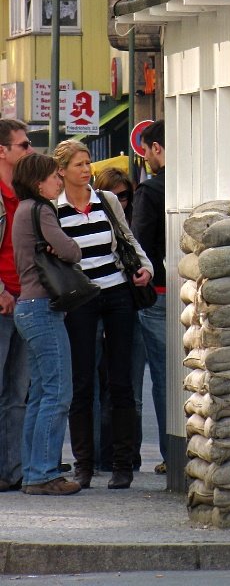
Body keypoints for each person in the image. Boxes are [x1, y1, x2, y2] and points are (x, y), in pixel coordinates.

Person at [54, 141, 153, 490]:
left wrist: (145, 268)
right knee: (82, 380)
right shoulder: (54, 209)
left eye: (88, 162)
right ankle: (84, 465)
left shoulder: (106, 201)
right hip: (80, 296)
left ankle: (122, 464)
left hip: (117, 292)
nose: (86, 169)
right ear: (62, 170)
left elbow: (128, 240)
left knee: (121, 378)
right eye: (79, 164)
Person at [12, 153, 82, 495]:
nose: (59, 181)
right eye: (55, 176)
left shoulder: (23, 210)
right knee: (57, 392)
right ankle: (44, 473)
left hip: (27, 306)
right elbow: (71, 251)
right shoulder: (41, 210)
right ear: (39, 182)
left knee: (40, 393)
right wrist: (65, 248)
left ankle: (33, 470)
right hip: (42, 307)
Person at [91, 167, 144, 473]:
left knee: (126, 384)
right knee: (95, 383)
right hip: (95, 301)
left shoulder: (131, 219)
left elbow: (138, 252)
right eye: (118, 195)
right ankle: (99, 455)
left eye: (126, 196)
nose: (122, 201)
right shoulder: (98, 213)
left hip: (125, 303)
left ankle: (127, 454)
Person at [131, 120, 167, 475]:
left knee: (163, 375)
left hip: (157, 294)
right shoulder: (198, 182)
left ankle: (172, 453)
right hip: (192, 291)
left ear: (156, 148)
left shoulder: (151, 192)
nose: (145, 157)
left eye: (146, 150)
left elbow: (137, 246)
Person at [0, 118, 33, 492]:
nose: (29, 150)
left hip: (25, 302)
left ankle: (12, 471)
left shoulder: (24, 193)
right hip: (4, 300)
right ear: (3, 151)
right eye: (23, 145)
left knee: (17, 394)